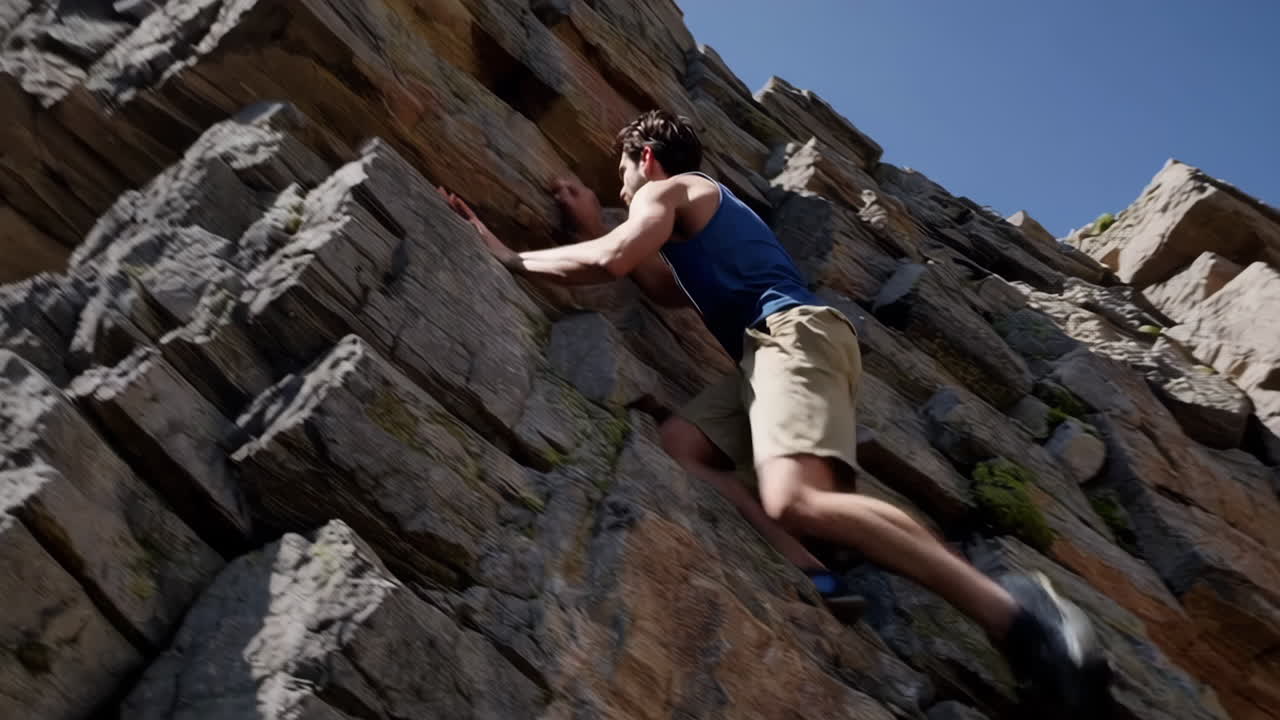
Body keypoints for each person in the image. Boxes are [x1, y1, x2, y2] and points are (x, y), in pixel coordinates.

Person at [441, 109, 1110, 711]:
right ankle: (813, 570)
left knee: (796, 496)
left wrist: (510, 255)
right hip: (767, 355)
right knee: (680, 445)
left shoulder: (677, 190)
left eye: (621, 173)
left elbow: (618, 259)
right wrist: (591, 225)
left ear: (648, 159)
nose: (619, 189)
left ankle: (1020, 615)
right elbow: (662, 286)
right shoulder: (703, 224)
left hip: (793, 337)